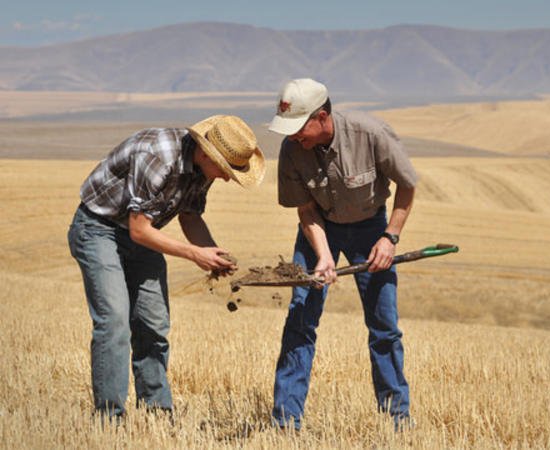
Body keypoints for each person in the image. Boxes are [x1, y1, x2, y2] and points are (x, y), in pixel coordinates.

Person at [67, 115, 266, 418]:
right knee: (115, 321)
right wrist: (194, 254)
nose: (226, 178)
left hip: (142, 235)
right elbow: (139, 229)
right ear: (205, 152)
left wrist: (213, 255)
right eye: (225, 170)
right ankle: (110, 419)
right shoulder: (158, 157)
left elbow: (189, 216)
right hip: (99, 229)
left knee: (153, 323)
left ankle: (156, 412)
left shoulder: (202, 170)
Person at [267, 78, 417, 430]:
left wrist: (389, 238)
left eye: (299, 128)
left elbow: (407, 186)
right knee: (300, 321)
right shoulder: (292, 150)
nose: (292, 138)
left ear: (322, 117)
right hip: (319, 228)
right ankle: (285, 424)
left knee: (384, 326)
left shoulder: (371, 134)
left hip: (371, 229)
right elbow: (305, 211)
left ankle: (397, 421)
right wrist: (323, 256)